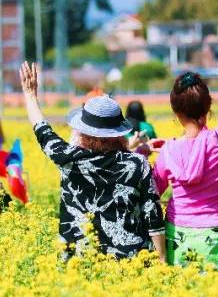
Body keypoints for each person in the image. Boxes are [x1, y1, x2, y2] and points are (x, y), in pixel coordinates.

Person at [20, 62, 165, 261]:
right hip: (129, 263)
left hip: (79, 262)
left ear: (83, 130)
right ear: (120, 132)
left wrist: (30, 95)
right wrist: (162, 259)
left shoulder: (67, 158)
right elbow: (152, 214)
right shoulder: (137, 164)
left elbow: (42, 130)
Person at [154, 14, 218, 268]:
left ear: (176, 112)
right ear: (208, 106)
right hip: (215, 234)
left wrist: (140, 153)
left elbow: (152, 190)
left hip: (177, 234)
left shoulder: (168, 151)